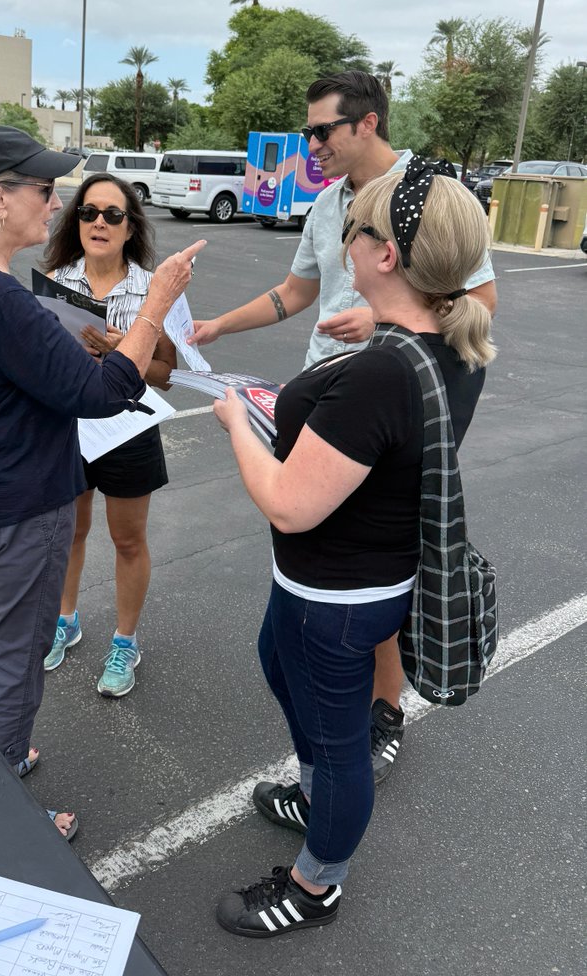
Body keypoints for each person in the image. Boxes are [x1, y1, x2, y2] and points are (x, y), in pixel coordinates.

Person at [212, 160, 496, 938]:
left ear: (387, 257)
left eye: (358, 226)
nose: (345, 234)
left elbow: (290, 505)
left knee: (340, 748)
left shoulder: (382, 372)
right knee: (279, 664)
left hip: (335, 597)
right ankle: (316, 795)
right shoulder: (446, 339)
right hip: (351, 581)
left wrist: (240, 422)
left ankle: (315, 885)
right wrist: (380, 328)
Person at [189, 71, 497, 782]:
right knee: (324, 561)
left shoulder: (427, 194)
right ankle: (337, 729)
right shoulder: (327, 203)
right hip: (329, 398)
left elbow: (477, 294)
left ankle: (381, 715)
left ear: (366, 124)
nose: (311, 145)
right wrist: (217, 326)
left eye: (321, 131)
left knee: (377, 562)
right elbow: (296, 291)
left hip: (395, 391)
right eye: (306, 133)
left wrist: (385, 320)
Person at [0, 126, 204, 837]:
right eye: (45, 189)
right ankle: (2, 812)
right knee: (15, 656)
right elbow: (102, 394)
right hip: (14, 508)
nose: (59, 202)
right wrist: (156, 302)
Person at [42, 174, 176, 697]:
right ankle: (65, 620)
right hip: (69, 425)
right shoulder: (55, 279)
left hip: (127, 427)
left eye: (113, 215)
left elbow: (168, 370)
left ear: (129, 226)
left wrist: (129, 350)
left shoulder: (151, 287)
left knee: (127, 539)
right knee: (68, 533)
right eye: (89, 212)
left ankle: (125, 641)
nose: (99, 222)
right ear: (76, 222)